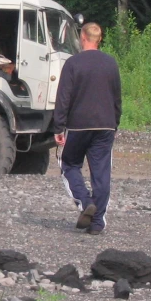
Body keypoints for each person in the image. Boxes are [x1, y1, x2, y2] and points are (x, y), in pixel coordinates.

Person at [53, 22, 122, 235]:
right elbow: (117, 97)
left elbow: (64, 97)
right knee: (101, 173)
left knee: (69, 164)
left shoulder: (73, 63)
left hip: (78, 125)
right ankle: (97, 222)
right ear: (98, 39)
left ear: (83, 37)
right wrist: (115, 122)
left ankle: (85, 202)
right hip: (105, 124)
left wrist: (58, 126)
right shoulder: (111, 63)